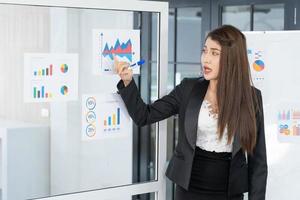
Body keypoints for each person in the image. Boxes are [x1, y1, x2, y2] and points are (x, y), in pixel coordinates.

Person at [115, 25, 267, 200]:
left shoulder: (251, 98)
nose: (206, 59)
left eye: (215, 53)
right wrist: (127, 81)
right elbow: (144, 115)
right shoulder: (188, 89)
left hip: (229, 194)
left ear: (232, 59)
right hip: (189, 190)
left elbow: (258, 163)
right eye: (205, 51)